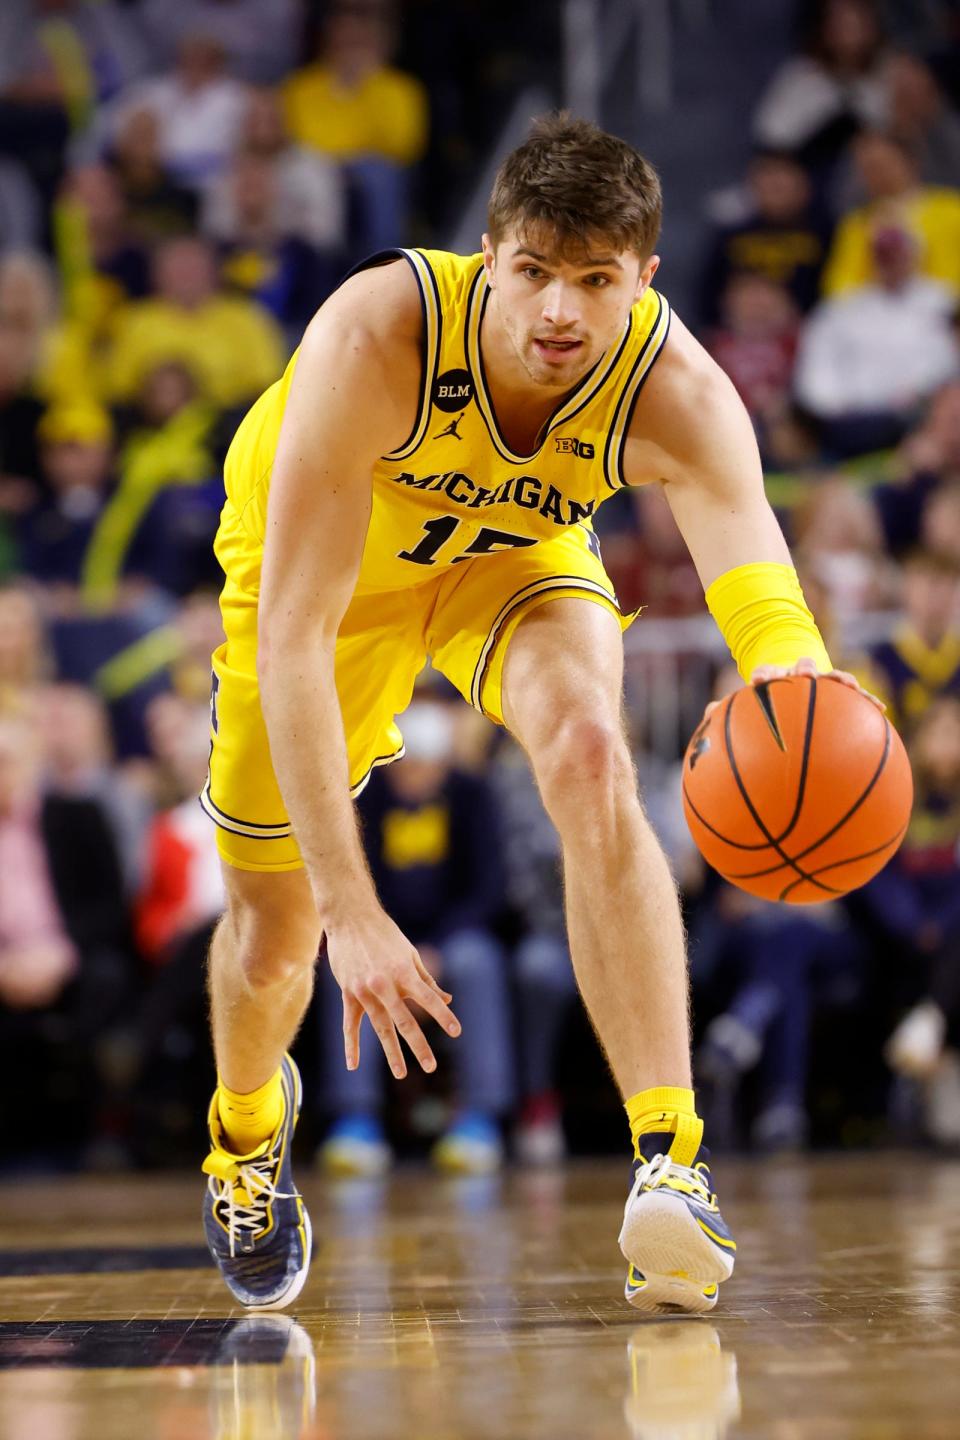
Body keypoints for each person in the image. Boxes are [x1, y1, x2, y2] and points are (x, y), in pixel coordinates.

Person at [199, 114, 873, 1316]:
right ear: (490, 256)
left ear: (645, 280)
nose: (561, 312)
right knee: (273, 937)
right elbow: (292, 640)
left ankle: (671, 1156)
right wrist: (354, 912)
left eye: (597, 282)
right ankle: (247, 1133)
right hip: (326, 586)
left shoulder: (677, 390)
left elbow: (763, 595)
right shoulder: (375, 336)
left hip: (507, 558)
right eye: (536, 275)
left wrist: (798, 683)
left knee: (592, 750)